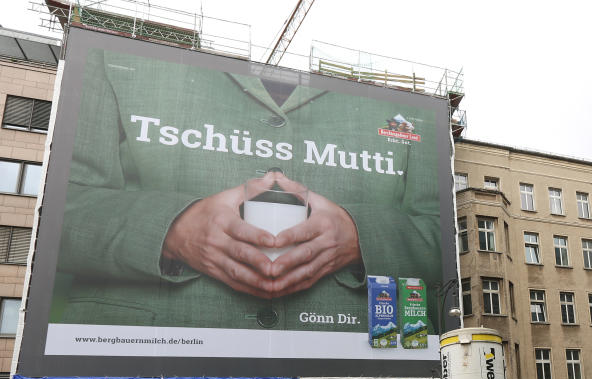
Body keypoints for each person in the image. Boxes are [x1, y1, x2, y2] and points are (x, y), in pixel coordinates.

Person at [52, 45, 442, 331]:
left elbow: (446, 240)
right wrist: (173, 230)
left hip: (358, 352)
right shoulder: (111, 53)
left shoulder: (416, 108)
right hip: (136, 349)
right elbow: (58, 212)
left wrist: (360, 237)